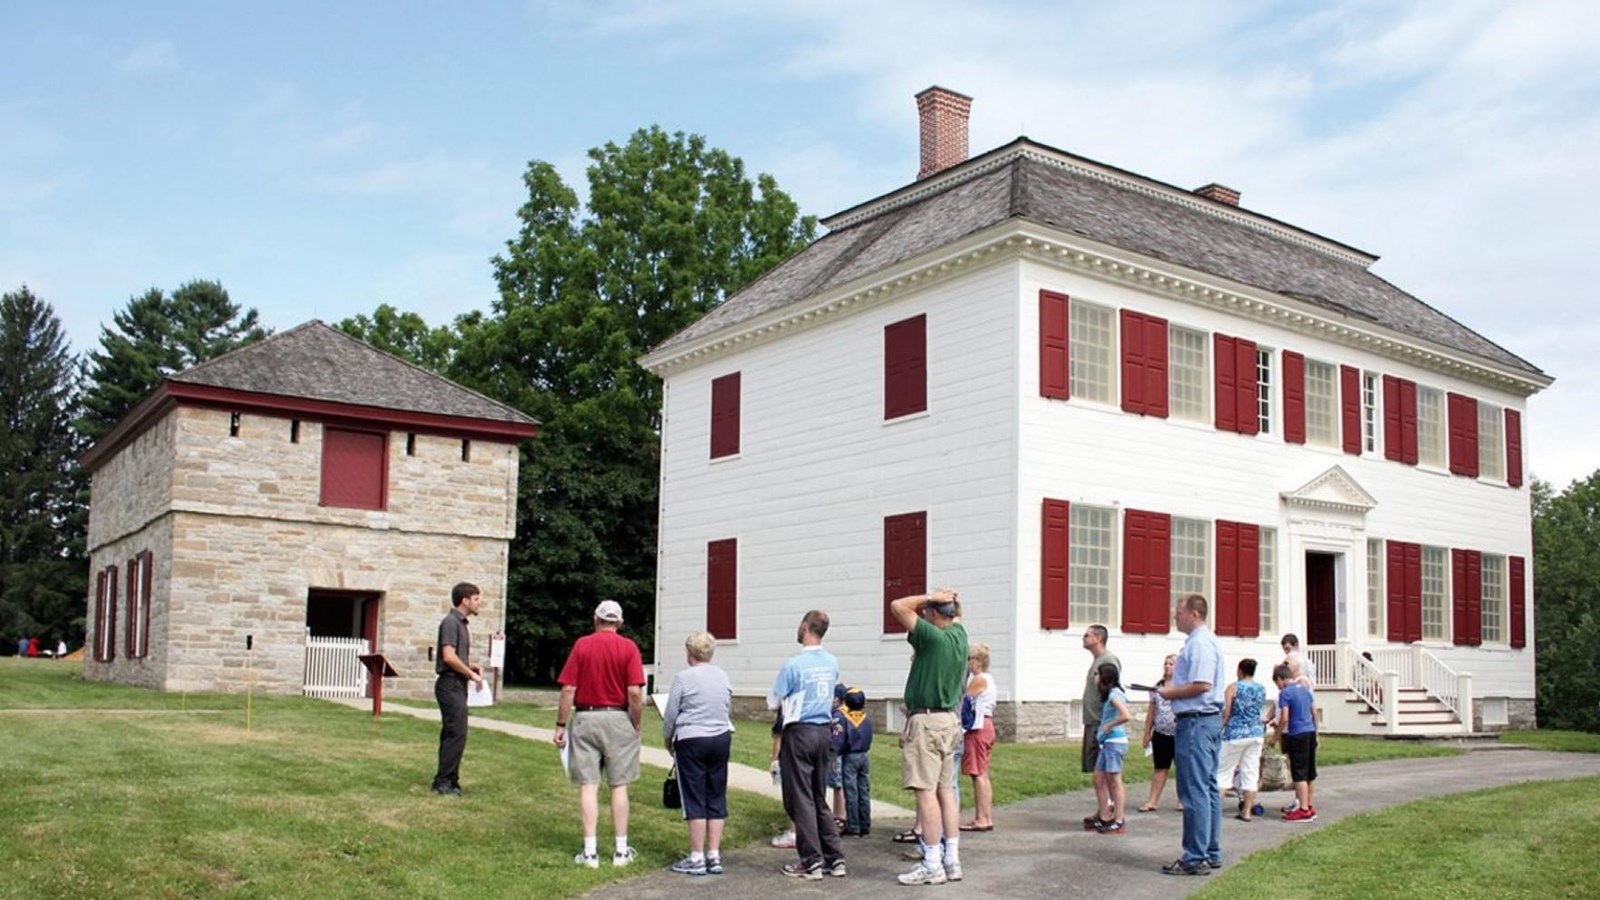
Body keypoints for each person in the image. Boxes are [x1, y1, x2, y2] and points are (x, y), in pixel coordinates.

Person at [554, 600, 646, 868]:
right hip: (618, 717)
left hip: (585, 716)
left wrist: (561, 724)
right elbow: (634, 692)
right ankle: (620, 850)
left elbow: (568, 688)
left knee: (588, 785)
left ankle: (590, 851)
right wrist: (635, 722)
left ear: (596, 619)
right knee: (619, 786)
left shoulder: (582, 645)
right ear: (619, 622)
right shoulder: (628, 647)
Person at [888, 588, 968, 886]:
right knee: (946, 790)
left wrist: (927, 595)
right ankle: (952, 859)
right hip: (949, 719)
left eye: (927, 612)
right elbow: (958, 615)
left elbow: (897, 605)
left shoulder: (932, 637)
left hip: (927, 720)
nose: (923, 615)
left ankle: (932, 862)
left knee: (926, 793)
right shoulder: (960, 636)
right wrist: (949, 601)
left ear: (934, 614)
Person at [768, 610, 846, 880]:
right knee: (818, 797)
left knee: (800, 798)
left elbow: (773, 701)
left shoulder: (794, 664)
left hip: (799, 731)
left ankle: (810, 860)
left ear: (805, 627)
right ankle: (835, 858)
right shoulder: (831, 662)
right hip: (823, 730)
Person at [1160, 594, 1226, 877]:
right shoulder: (1204, 642)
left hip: (1196, 722)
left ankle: (1195, 856)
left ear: (1194, 614)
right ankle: (1210, 850)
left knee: (1194, 790)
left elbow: (1201, 685)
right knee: (1208, 787)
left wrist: (1169, 692)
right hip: (1206, 721)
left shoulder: (1200, 644)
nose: (1175, 616)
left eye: (1179, 612)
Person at [663, 631, 734, 877]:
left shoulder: (683, 678)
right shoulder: (722, 676)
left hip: (692, 738)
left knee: (694, 796)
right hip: (720, 737)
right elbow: (727, 705)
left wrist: (667, 739)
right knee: (716, 794)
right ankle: (713, 855)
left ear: (689, 652)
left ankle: (696, 857)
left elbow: (671, 713)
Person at [431, 582, 485, 796]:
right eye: (477, 599)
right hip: (449, 684)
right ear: (465, 600)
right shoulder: (451, 622)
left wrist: (471, 666)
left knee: (454, 733)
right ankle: (444, 781)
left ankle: (449, 779)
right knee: (456, 733)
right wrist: (471, 674)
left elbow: (457, 657)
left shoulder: (461, 624)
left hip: (457, 683)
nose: (480, 603)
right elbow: (448, 657)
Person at [1079, 624, 1121, 827]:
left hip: (1100, 722)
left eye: (1087, 635)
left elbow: (1112, 691)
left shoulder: (1107, 661)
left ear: (1098, 638)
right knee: (1098, 771)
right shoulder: (1097, 661)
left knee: (1103, 773)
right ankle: (1103, 809)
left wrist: (1106, 721)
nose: (1083, 638)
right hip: (1092, 721)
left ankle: (1110, 811)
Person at [1218, 658, 1267, 822]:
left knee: (1224, 772)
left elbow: (1227, 712)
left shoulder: (1233, 687)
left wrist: (1220, 727)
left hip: (1235, 733)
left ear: (1240, 670)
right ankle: (1246, 811)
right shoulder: (1261, 688)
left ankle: (1214, 809)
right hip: (1255, 732)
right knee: (1250, 773)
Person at [1273, 663, 1319, 821]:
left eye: (1277, 683)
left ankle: (1303, 809)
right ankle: (1309, 805)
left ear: (1280, 679)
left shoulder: (1285, 693)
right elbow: (1314, 711)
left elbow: (1284, 717)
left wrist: (1276, 736)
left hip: (1297, 733)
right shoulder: (1305, 689)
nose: (1278, 687)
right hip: (1310, 732)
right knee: (1309, 772)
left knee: (1298, 773)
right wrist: (1316, 733)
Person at [960, 642, 997, 832]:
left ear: (977, 661)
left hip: (978, 729)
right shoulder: (987, 679)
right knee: (981, 773)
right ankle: (984, 816)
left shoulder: (979, 680)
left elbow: (964, 700)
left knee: (979, 774)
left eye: (969, 660)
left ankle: (982, 818)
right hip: (986, 726)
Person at [1092, 662, 1133, 834]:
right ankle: (1104, 815)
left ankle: (1119, 818)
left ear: (1105, 677)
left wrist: (1110, 725)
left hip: (1115, 743)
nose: (1095, 678)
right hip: (1107, 743)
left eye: (1097, 674)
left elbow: (1126, 716)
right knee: (1098, 779)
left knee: (1114, 781)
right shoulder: (1109, 695)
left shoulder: (1114, 695)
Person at [1138, 654, 1179, 812]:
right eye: (1166, 663)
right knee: (1160, 767)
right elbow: (1152, 711)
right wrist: (1147, 732)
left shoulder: (1182, 686)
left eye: (1172, 664)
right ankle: (1153, 800)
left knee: (1182, 768)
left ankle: (1183, 800)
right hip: (1161, 733)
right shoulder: (1157, 687)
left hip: (1179, 732)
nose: (1168, 666)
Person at [835, 687, 874, 836]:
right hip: (865, 756)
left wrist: (836, 752)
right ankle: (865, 824)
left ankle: (853, 825)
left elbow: (840, 740)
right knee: (864, 790)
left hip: (850, 757)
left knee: (851, 791)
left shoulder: (845, 720)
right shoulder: (867, 719)